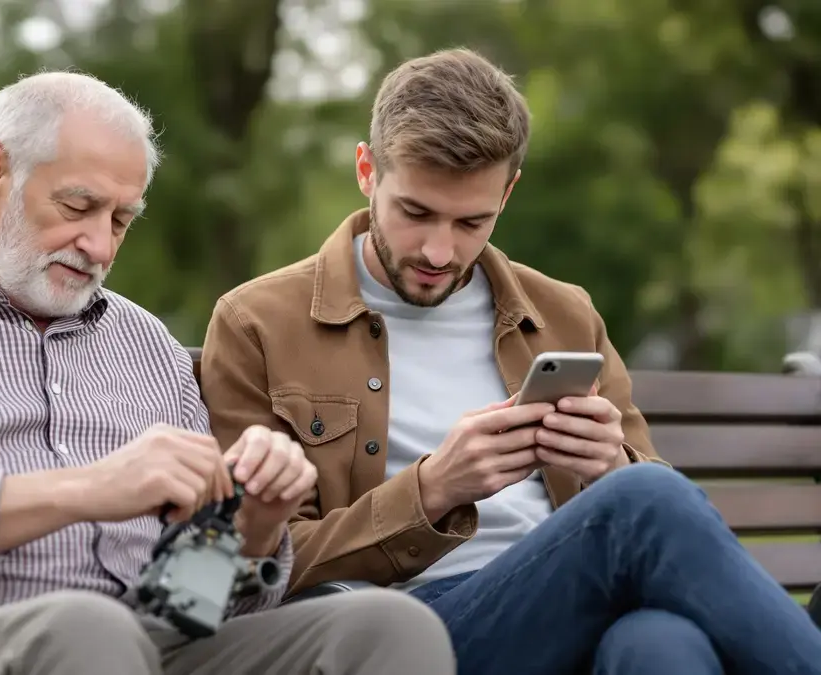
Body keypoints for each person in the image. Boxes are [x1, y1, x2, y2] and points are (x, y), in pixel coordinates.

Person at [0, 71, 456, 675]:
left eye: (121, 219)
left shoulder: (144, 344)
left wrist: (254, 524)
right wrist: (86, 489)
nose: (97, 243)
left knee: (388, 628)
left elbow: (188, 604)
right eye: (78, 206)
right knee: (86, 631)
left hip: (141, 644)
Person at [199, 48, 821, 675]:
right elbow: (246, 564)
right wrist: (434, 488)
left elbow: (653, 509)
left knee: (658, 643)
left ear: (510, 190)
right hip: (409, 630)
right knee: (644, 502)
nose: (440, 251)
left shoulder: (563, 313)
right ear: (367, 170)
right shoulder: (259, 323)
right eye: (415, 213)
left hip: (583, 602)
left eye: (473, 222)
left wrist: (609, 464)